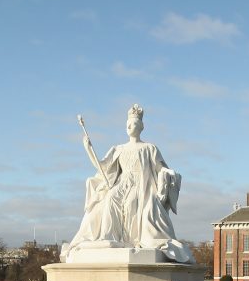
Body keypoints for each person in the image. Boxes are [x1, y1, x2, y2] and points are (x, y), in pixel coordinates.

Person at [62, 104, 194, 263]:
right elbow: (102, 166)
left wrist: (169, 173)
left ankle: (130, 240)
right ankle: (108, 237)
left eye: (134, 124)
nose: (131, 126)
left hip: (141, 185)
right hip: (123, 182)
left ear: (142, 126)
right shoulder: (119, 148)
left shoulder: (149, 148)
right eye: (128, 124)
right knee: (110, 198)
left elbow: (161, 168)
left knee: (132, 202)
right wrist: (88, 149)